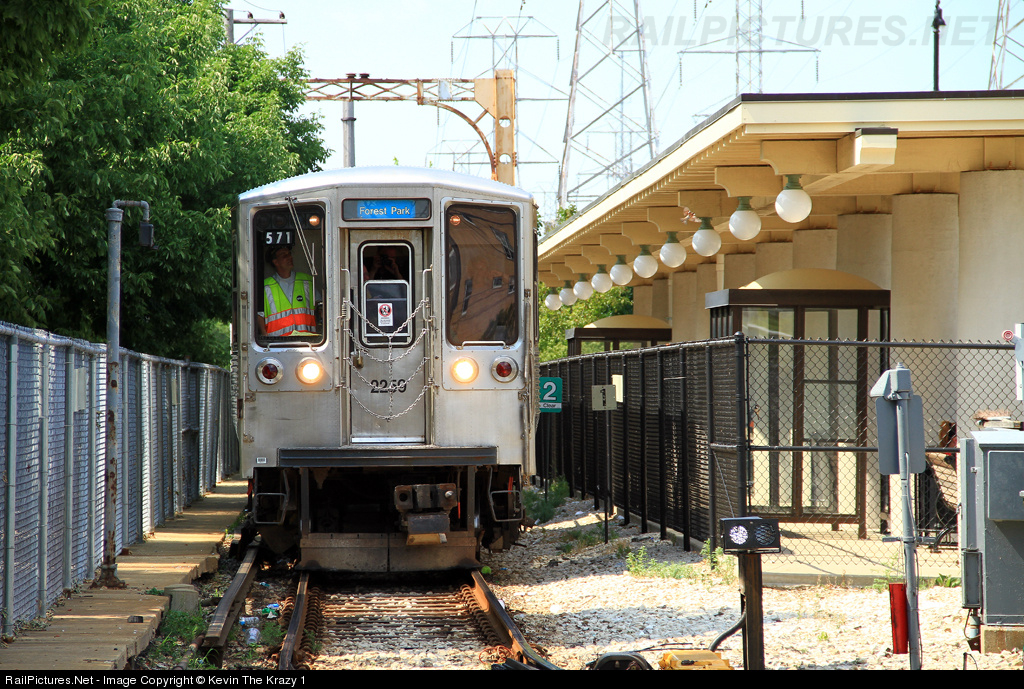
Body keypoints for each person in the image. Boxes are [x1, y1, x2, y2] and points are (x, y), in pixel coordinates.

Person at [258, 246, 318, 337]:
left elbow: (320, 306)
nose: (289, 257)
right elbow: (259, 314)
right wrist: (264, 334)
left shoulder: (307, 281)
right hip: (277, 342)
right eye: (284, 255)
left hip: (307, 340)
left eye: (289, 254)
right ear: (276, 262)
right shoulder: (266, 286)